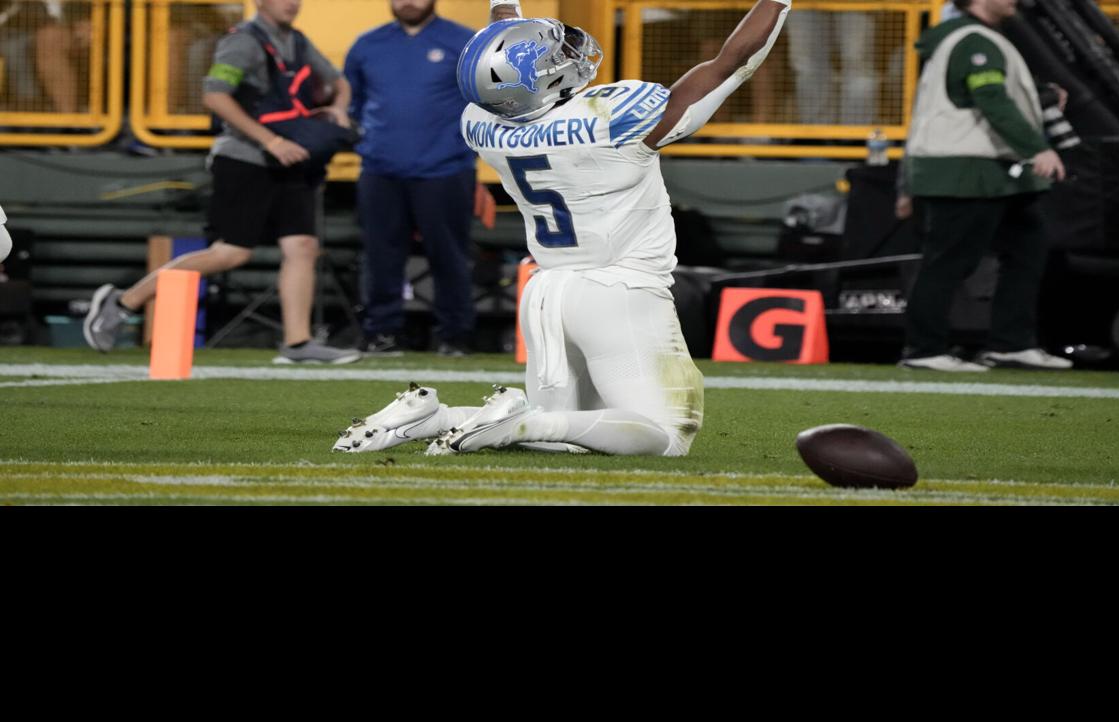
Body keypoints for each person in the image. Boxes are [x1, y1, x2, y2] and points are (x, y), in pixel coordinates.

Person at [331, 0, 791, 456]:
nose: (567, 54)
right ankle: (520, 421)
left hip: (546, 291)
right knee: (666, 435)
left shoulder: (480, 120)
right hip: (620, 290)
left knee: (568, 437)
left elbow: (504, 47)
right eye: (557, 54)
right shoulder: (613, 120)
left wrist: (503, 6)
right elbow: (732, 61)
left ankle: (436, 417)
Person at [84, 0, 360, 363]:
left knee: (303, 247)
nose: (292, 3)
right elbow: (215, 95)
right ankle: (122, 302)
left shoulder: (297, 41)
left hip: (290, 159)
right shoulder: (243, 41)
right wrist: (271, 141)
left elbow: (338, 83)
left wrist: (338, 109)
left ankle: (297, 344)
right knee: (230, 253)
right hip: (245, 159)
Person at [895, 0, 1071, 372]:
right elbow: (989, 98)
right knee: (948, 262)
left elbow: (981, 97)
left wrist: (1042, 95)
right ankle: (924, 350)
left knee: (1029, 245)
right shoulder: (974, 40)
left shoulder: (981, 38)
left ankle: (1012, 344)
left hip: (991, 171)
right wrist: (1037, 147)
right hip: (964, 170)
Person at [344, 0, 484, 358]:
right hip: (380, 170)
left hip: (447, 169)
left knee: (449, 256)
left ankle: (455, 336)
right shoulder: (366, 44)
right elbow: (354, 104)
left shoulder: (465, 42)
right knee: (380, 257)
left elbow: (483, 103)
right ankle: (382, 333)